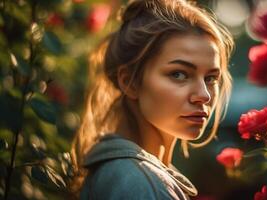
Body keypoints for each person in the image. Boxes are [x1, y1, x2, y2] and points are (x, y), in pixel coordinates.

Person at [70, 0, 234, 199]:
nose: (204, 95)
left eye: (210, 78)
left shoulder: (123, 174)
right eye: (179, 74)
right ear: (129, 82)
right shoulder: (140, 185)